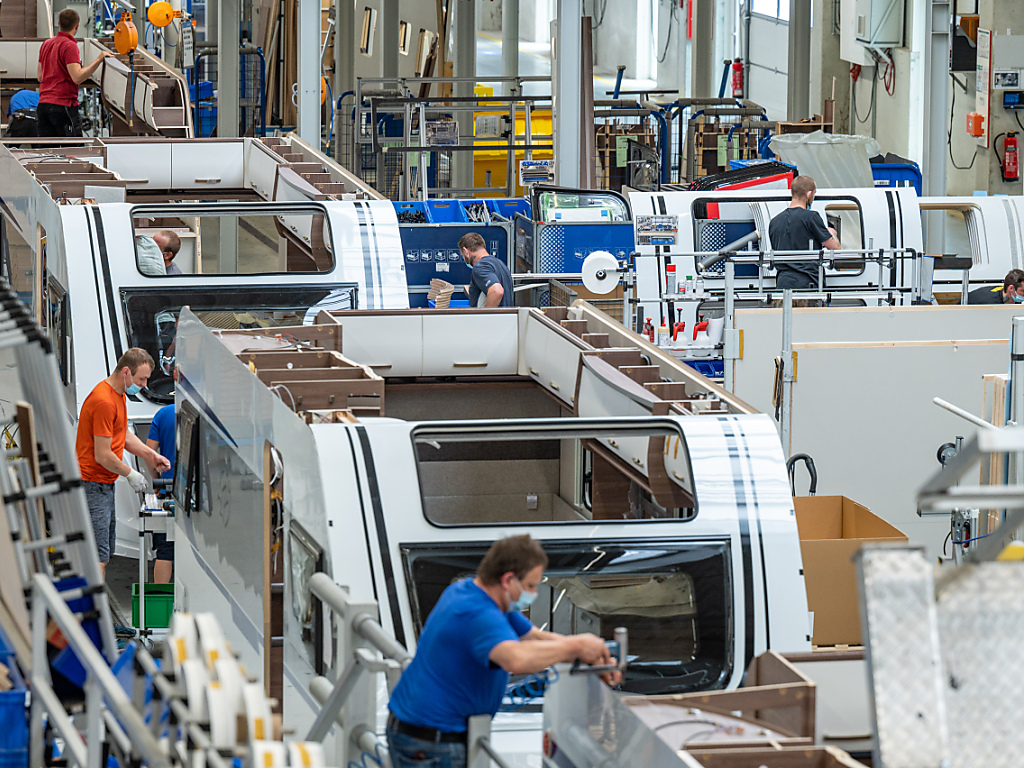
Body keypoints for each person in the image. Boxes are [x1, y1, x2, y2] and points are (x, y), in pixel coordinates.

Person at [386, 535, 619, 768]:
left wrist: (590, 652)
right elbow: (516, 659)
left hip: (421, 731)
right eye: (530, 586)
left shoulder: (470, 591)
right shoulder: (478, 613)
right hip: (431, 743)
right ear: (508, 580)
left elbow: (534, 636)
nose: (534, 593)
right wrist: (576, 646)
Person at [75, 348, 170, 579]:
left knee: (104, 553)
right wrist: (131, 474)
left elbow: (123, 435)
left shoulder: (118, 396)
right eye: (141, 379)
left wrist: (151, 455)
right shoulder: (104, 401)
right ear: (126, 372)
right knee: (97, 557)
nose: (144, 385)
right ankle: (93, 600)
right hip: (92, 484)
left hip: (104, 484)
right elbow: (103, 454)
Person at [37, 9, 113, 138]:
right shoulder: (70, 45)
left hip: (43, 106)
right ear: (77, 26)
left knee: (47, 148)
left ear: (58, 23)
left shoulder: (46, 44)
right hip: (63, 106)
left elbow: (40, 76)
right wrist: (99, 59)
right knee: (73, 147)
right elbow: (77, 77)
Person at [768, 175, 842, 293]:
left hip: (782, 286)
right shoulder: (811, 217)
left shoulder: (774, 222)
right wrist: (831, 233)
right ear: (809, 194)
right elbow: (835, 247)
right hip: (808, 286)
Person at [145, 402, 176, 583]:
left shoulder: (164, 413)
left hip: (169, 489)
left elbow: (149, 454)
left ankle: (161, 596)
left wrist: (157, 480)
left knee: (165, 551)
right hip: (203, 493)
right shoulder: (210, 412)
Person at [458, 232, 514, 308]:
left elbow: (497, 291)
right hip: (507, 315)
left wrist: (485, 314)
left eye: (463, 255)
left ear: (465, 251)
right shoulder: (500, 264)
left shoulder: (480, 266)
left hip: (494, 316)